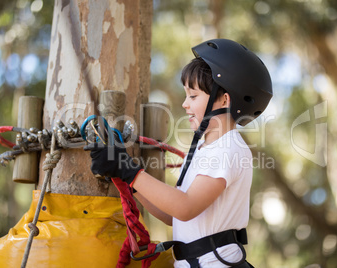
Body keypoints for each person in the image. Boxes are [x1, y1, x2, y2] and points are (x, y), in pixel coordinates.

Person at [86, 39, 273, 267]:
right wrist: (127, 176)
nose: (185, 104)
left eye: (193, 96)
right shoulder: (203, 150)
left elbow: (185, 207)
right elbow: (171, 214)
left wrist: (129, 170)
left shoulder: (229, 148)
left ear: (225, 99)